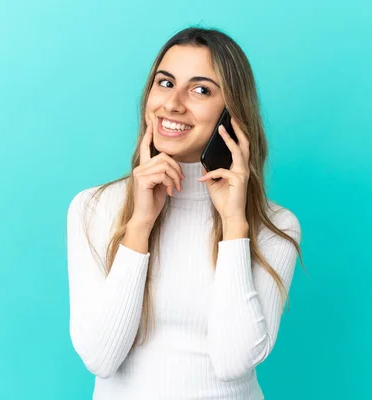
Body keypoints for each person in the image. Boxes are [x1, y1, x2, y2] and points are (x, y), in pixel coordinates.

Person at [66, 26, 305, 400]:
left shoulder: (275, 226)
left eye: (201, 90)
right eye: (165, 82)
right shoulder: (94, 208)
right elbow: (100, 357)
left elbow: (233, 360)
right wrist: (140, 225)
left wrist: (233, 224)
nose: (173, 104)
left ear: (231, 115)